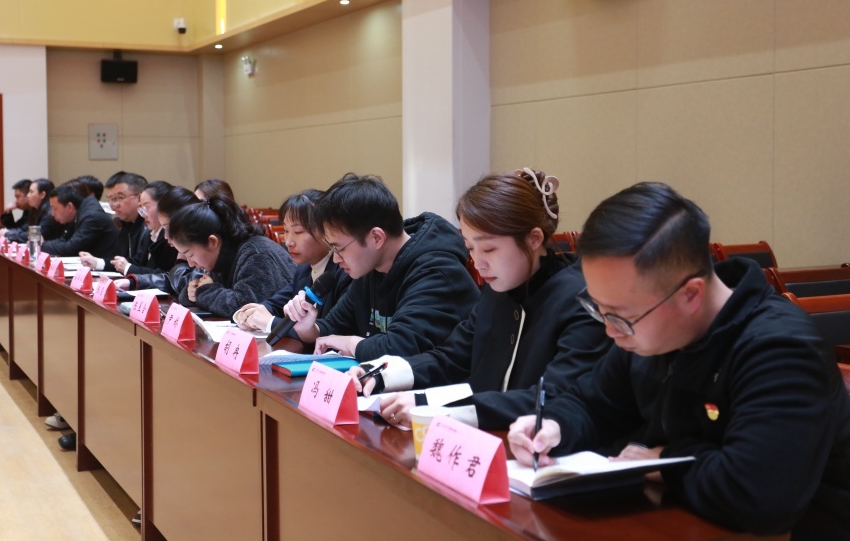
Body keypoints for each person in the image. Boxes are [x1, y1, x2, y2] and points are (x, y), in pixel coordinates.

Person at [507, 182, 850, 539]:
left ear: (690, 295)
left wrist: (666, 460)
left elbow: (758, 495)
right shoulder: (651, 328)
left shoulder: (780, 349)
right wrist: (554, 426)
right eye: (598, 308)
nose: (609, 330)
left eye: (620, 316)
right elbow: (595, 402)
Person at [350, 170, 609, 430]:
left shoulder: (580, 300)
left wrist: (439, 409)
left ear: (534, 239)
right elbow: (452, 358)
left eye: (489, 249)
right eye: (470, 248)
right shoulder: (498, 290)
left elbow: (554, 396)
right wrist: (382, 373)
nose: (478, 263)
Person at [288, 173, 479, 360]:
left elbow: (400, 347)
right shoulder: (370, 267)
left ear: (377, 238)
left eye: (339, 249)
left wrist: (350, 343)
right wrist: (309, 329)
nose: (336, 259)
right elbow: (334, 326)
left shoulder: (435, 271)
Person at [234, 189, 351, 338]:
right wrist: (252, 314)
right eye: (285, 230)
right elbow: (277, 303)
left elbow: (331, 330)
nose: (288, 242)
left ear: (327, 231)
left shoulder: (345, 271)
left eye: (298, 232)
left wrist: (270, 322)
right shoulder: (304, 269)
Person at [169, 195, 295, 318]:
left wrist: (204, 291)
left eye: (190, 255)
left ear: (212, 242)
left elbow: (245, 307)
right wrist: (192, 293)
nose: (190, 263)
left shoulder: (257, 255)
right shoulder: (223, 254)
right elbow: (214, 292)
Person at [119, 186, 202, 295]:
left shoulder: (202, 246)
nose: (166, 236)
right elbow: (171, 280)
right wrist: (133, 282)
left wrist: (181, 263)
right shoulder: (150, 235)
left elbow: (187, 288)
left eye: (168, 228)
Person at [79, 172, 149, 272]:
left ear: (139, 198)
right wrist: (96, 262)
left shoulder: (148, 226)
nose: (114, 205)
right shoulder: (125, 224)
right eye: (111, 199)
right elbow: (123, 262)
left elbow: (138, 265)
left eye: (120, 197)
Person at [40, 181, 119, 260]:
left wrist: (41, 244)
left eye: (55, 208)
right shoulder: (80, 211)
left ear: (69, 207)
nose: (52, 213)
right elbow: (65, 239)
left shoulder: (91, 217)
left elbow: (70, 249)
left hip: (108, 264)